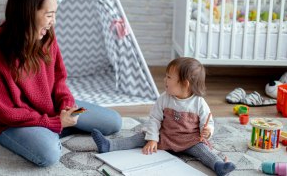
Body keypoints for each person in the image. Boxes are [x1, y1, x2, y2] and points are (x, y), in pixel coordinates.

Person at [0, 0, 121, 167]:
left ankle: (55, 129)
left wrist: (67, 106)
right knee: (48, 155)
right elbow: (5, 113)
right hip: (14, 124)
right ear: (27, 13)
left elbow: (59, 81)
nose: (53, 21)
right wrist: (54, 123)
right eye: (49, 14)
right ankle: (52, 131)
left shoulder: (46, 36)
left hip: (51, 111)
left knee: (113, 122)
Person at [92, 57, 236, 176]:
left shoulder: (199, 103)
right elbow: (154, 119)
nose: (164, 80)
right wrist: (153, 139)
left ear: (185, 84)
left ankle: (219, 166)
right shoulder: (164, 98)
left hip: (189, 140)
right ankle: (109, 145)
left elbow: (208, 122)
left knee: (205, 152)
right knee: (139, 138)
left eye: (169, 77)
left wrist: (208, 131)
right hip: (165, 136)